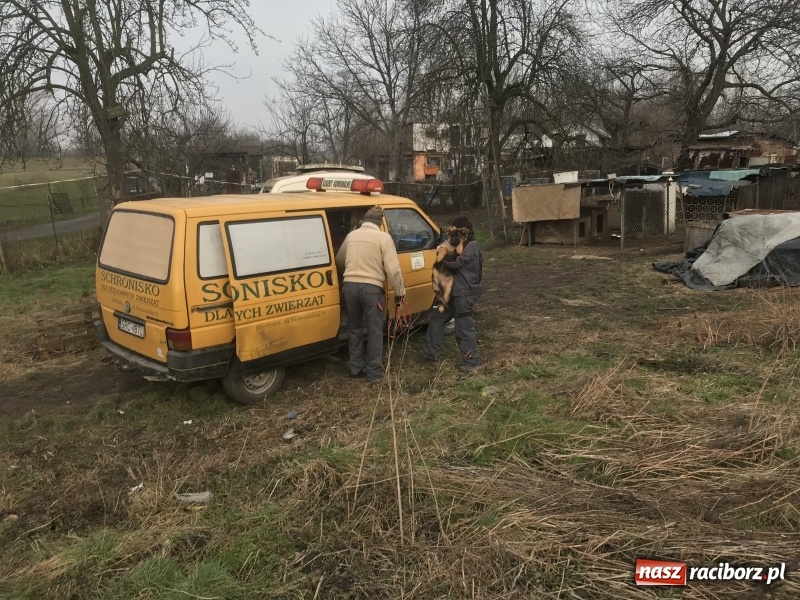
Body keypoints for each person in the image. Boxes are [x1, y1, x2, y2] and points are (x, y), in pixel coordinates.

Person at [335, 206, 406, 383]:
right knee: (374, 330)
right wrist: (400, 292)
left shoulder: (351, 236)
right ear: (380, 223)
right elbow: (393, 270)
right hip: (371, 290)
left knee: (354, 327)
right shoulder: (383, 238)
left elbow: (339, 261)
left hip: (349, 287)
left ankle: (355, 367)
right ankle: (373, 372)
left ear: (364, 221)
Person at [421, 216, 483, 372]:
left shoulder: (471, 245)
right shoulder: (462, 243)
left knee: (464, 328)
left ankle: (472, 362)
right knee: (437, 318)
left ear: (462, 230)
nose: (450, 232)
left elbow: (455, 262)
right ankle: (431, 352)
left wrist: (441, 256)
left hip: (464, 293)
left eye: (453, 228)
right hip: (453, 293)